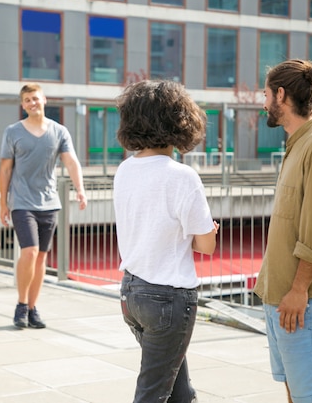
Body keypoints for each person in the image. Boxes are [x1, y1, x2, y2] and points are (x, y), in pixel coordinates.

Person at [113, 80, 219, 403]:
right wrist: (210, 230)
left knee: (178, 391)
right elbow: (206, 246)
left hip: (132, 295)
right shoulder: (182, 177)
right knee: (153, 393)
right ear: (180, 121)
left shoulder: (124, 170)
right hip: (168, 298)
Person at [253, 59, 312, 403]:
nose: (263, 103)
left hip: (299, 296)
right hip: (281, 294)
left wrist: (298, 289)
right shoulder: (297, 145)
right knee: (299, 391)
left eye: (265, 94)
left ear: (281, 94)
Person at [0, 83, 87, 329]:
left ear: (44, 100)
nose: (32, 103)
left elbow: (72, 163)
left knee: (41, 260)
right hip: (21, 202)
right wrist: (4, 202)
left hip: (49, 203)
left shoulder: (59, 131)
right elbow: (5, 169)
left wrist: (80, 190)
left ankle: (32, 308)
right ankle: (21, 303)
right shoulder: (13, 131)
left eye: (35, 98)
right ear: (23, 104)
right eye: (27, 100)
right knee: (30, 251)